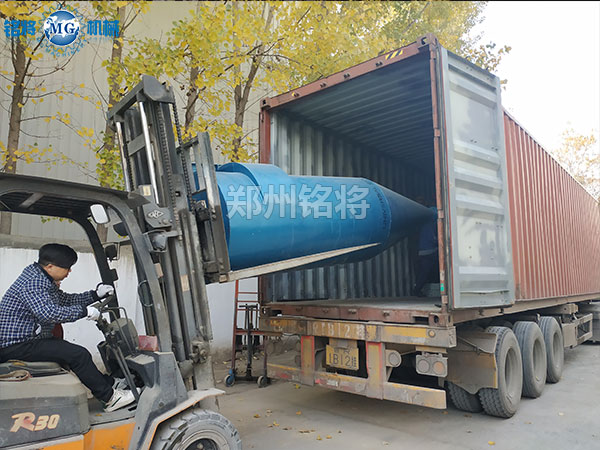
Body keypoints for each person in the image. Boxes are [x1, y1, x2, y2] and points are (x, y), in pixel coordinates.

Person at [0, 243, 135, 412]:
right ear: (50, 266)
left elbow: (65, 300)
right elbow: (49, 313)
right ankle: (110, 398)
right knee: (78, 354)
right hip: (17, 344)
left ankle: (109, 384)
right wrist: (84, 311)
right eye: (67, 268)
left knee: (70, 353)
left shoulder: (41, 277)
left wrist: (94, 295)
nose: (69, 271)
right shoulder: (34, 282)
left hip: (28, 340)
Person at [412, 198, 440, 297]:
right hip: (431, 249)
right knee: (444, 266)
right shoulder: (434, 214)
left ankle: (417, 289)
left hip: (423, 250)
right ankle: (443, 289)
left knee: (424, 271)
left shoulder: (423, 218)